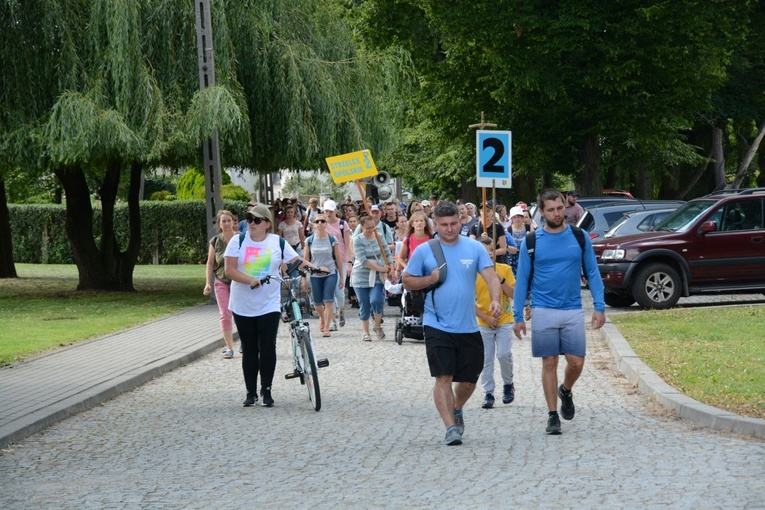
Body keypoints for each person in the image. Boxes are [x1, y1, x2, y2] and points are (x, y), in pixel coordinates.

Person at [402, 201, 502, 446]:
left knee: (469, 381)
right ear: (435, 224)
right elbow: (406, 281)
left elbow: (491, 277)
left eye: (454, 223)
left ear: (461, 221)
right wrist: (430, 279)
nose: (449, 229)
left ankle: (457, 408)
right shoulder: (425, 251)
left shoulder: (474, 248)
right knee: (443, 377)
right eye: (444, 225)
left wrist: (496, 301)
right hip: (437, 324)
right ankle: (450, 428)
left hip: (468, 326)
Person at [512, 189, 606, 435]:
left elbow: (592, 273)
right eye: (550, 209)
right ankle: (552, 415)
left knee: (576, 362)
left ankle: (566, 390)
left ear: (565, 208)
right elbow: (522, 280)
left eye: (560, 208)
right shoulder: (532, 242)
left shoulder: (579, 236)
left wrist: (599, 306)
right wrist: (518, 316)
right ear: (541, 213)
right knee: (550, 362)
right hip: (543, 309)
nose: (556, 213)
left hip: (572, 309)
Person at [224, 203, 322, 408]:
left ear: (267, 223)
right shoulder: (237, 240)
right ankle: (251, 392)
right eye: (249, 219)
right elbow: (230, 271)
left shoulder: (276, 242)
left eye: (257, 220)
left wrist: (315, 267)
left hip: (268, 304)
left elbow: (296, 259)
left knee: (267, 347)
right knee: (250, 349)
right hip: (243, 304)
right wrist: (250, 280)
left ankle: (266, 390)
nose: (251, 223)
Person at [474, 236, 516, 409]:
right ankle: (488, 392)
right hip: (484, 322)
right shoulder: (474, 273)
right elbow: (468, 301)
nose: (489, 255)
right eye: (484, 252)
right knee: (486, 358)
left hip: (504, 319)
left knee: (503, 354)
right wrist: (486, 317)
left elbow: (514, 294)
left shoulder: (504, 269)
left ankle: (508, 384)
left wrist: (502, 281)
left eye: (491, 251)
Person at [351, 215, 395, 342]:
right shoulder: (357, 240)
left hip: (377, 276)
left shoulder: (379, 236)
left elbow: (387, 253)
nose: (371, 230)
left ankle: (377, 325)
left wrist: (391, 268)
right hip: (361, 275)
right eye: (368, 228)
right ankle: (365, 331)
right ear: (362, 227)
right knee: (364, 303)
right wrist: (381, 269)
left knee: (377, 300)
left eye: (373, 227)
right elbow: (363, 260)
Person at [203, 209, 238, 359]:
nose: (226, 223)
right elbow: (210, 263)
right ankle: (230, 348)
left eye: (229, 220)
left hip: (239, 283)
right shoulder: (215, 241)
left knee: (241, 314)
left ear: (233, 222)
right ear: (219, 224)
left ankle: (245, 342)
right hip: (221, 281)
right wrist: (207, 283)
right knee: (225, 314)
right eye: (223, 221)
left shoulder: (241, 238)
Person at [303, 214, 344, 337]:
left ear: (326, 224)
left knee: (329, 300)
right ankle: (323, 318)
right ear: (314, 224)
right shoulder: (309, 240)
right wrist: (304, 277)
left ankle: (327, 327)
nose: (320, 223)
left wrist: (341, 276)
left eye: (323, 221)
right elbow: (305, 259)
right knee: (317, 303)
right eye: (317, 221)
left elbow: (338, 258)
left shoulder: (332, 239)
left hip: (330, 273)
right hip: (315, 274)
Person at [322, 199, 352, 330]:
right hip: (327, 262)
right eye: (326, 211)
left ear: (335, 211)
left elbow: (347, 243)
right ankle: (332, 319)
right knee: (330, 292)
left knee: (339, 292)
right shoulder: (321, 224)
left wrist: (349, 262)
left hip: (342, 261)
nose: (328, 214)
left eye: (330, 211)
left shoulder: (342, 224)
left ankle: (341, 309)